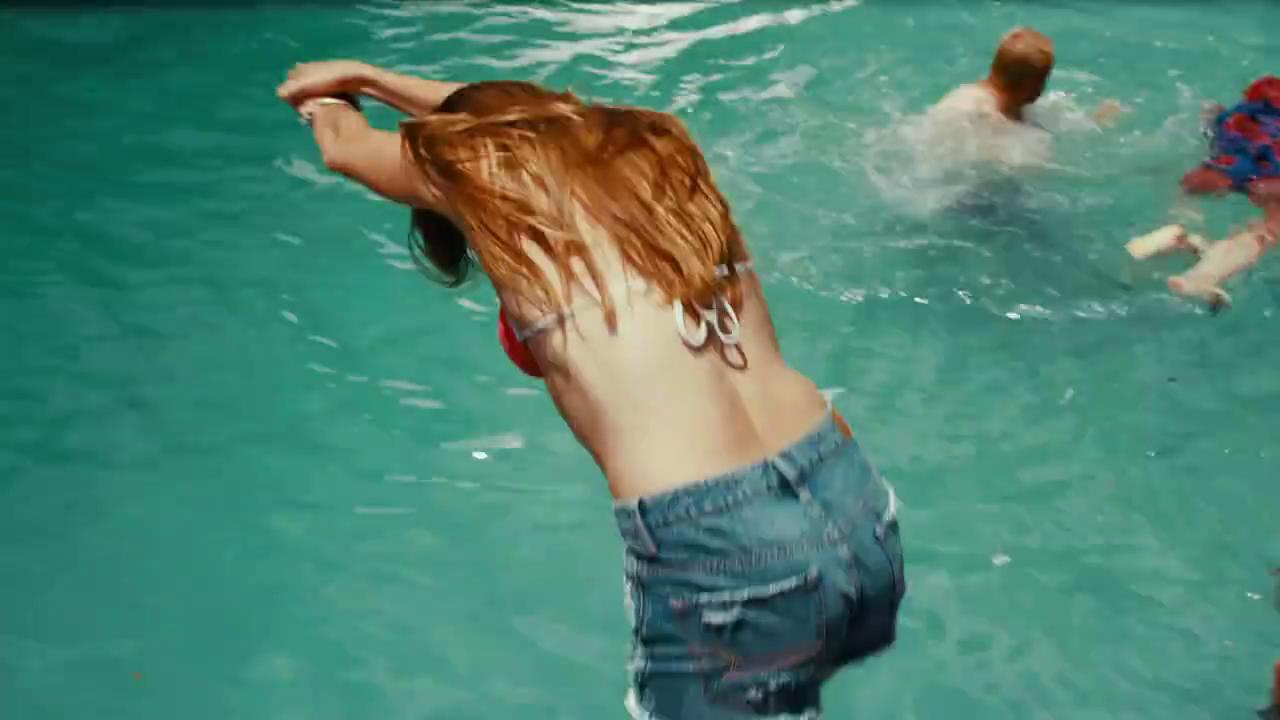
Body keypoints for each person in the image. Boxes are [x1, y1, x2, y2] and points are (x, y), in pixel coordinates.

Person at [277, 61, 904, 719]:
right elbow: (548, 113)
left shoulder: (489, 179)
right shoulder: (653, 147)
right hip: (852, 504)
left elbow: (346, 149)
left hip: (728, 549)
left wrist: (320, 99)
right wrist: (370, 79)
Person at [1126, 76, 1280, 310]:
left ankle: (1178, 230)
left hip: (1238, 141)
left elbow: (1221, 115)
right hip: (1268, 166)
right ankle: (1201, 277)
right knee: (1269, 230)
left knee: (1191, 189)